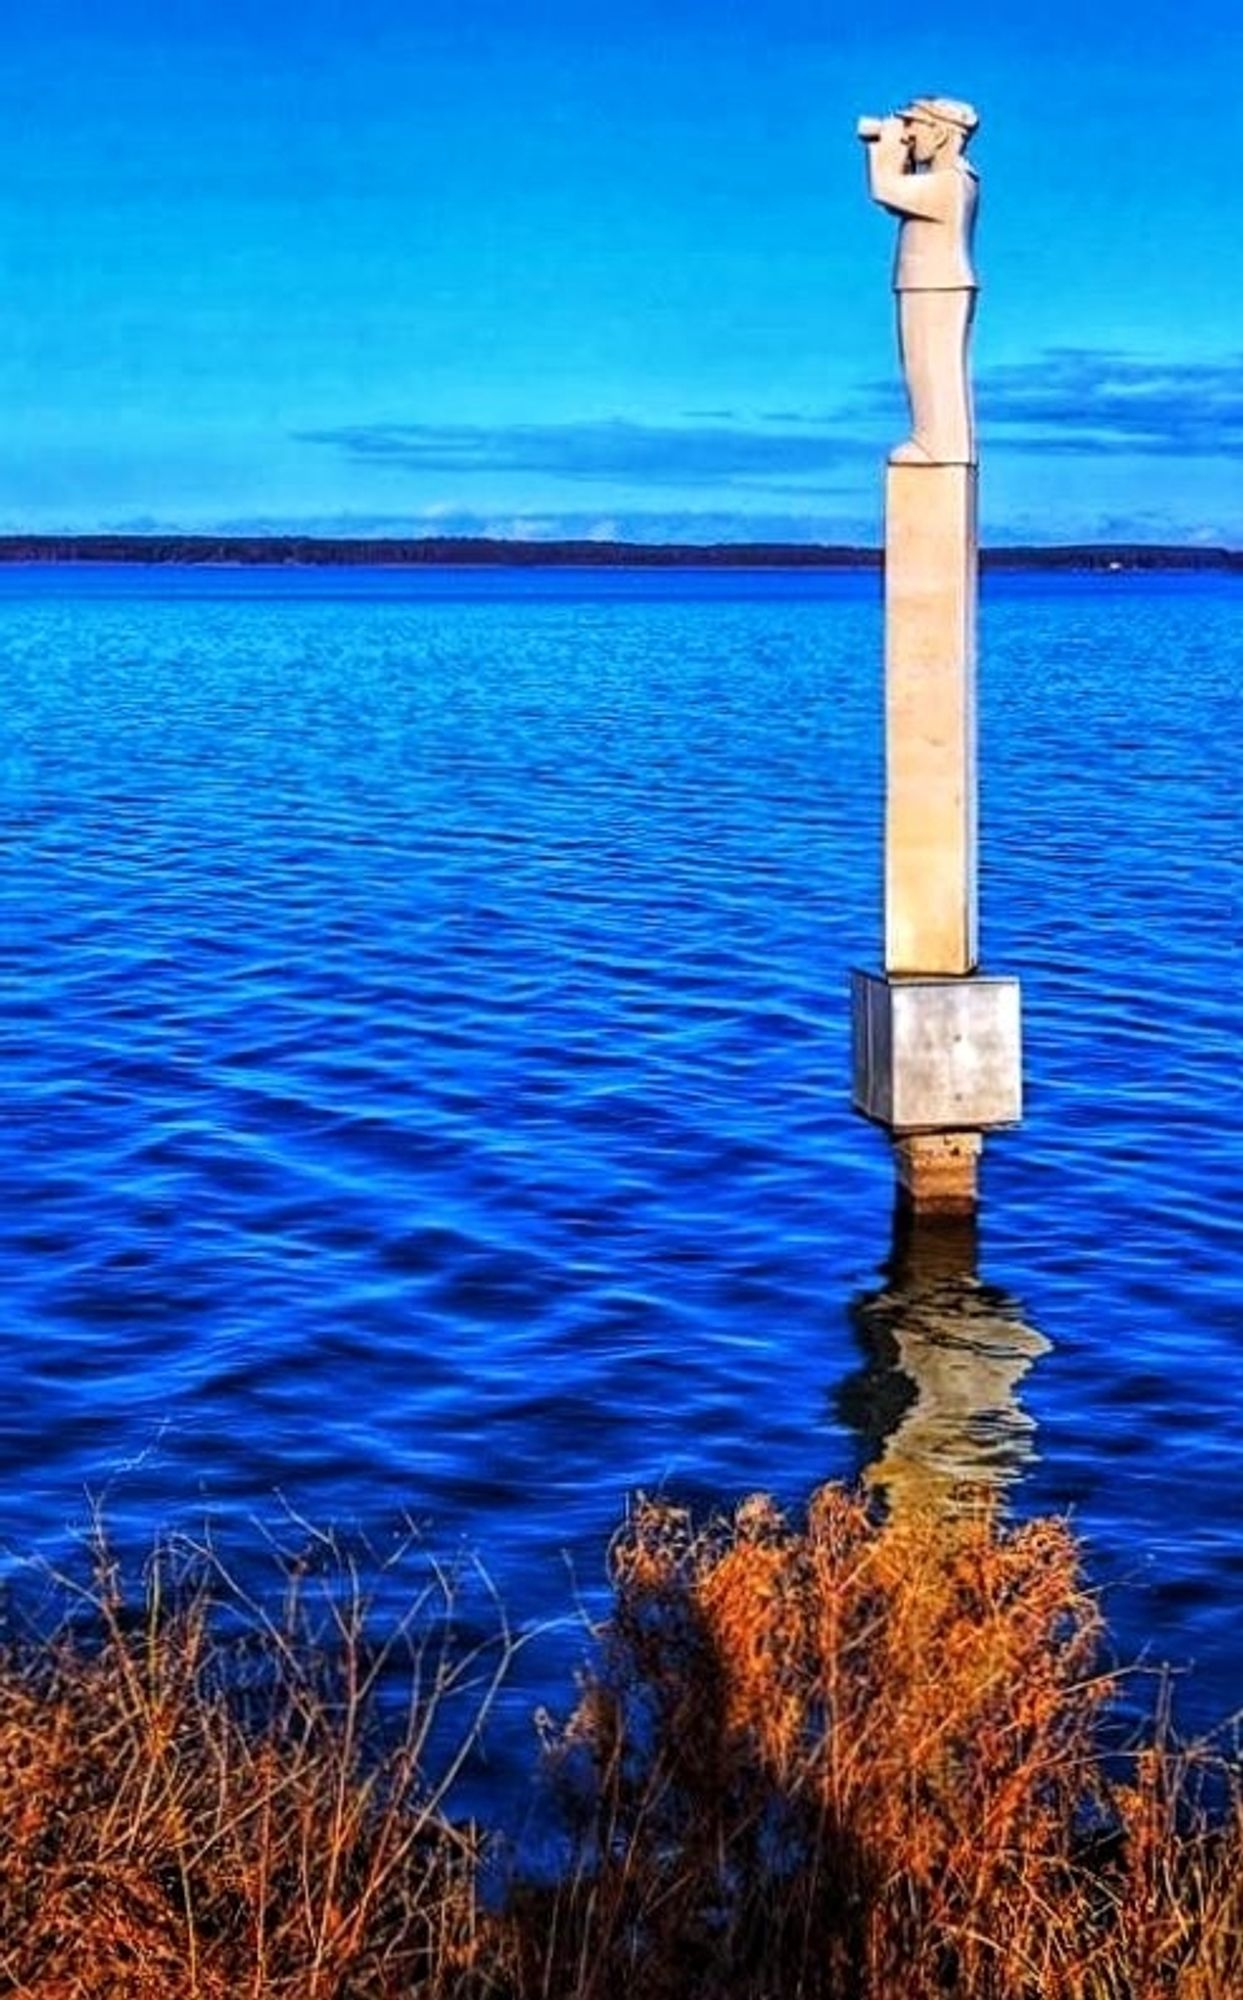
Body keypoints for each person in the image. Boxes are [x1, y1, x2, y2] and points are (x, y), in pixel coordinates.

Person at [860, 97, 980, 465]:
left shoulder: (950, 184)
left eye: (915, 126)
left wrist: (885, 147)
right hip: (930, 281)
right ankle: (936, 439)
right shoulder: (954, 181)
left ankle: (937, 444)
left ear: (941, 133)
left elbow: (884, 189)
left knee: (930, 366)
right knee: (923, 365)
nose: (909, 134)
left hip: (935, 283)